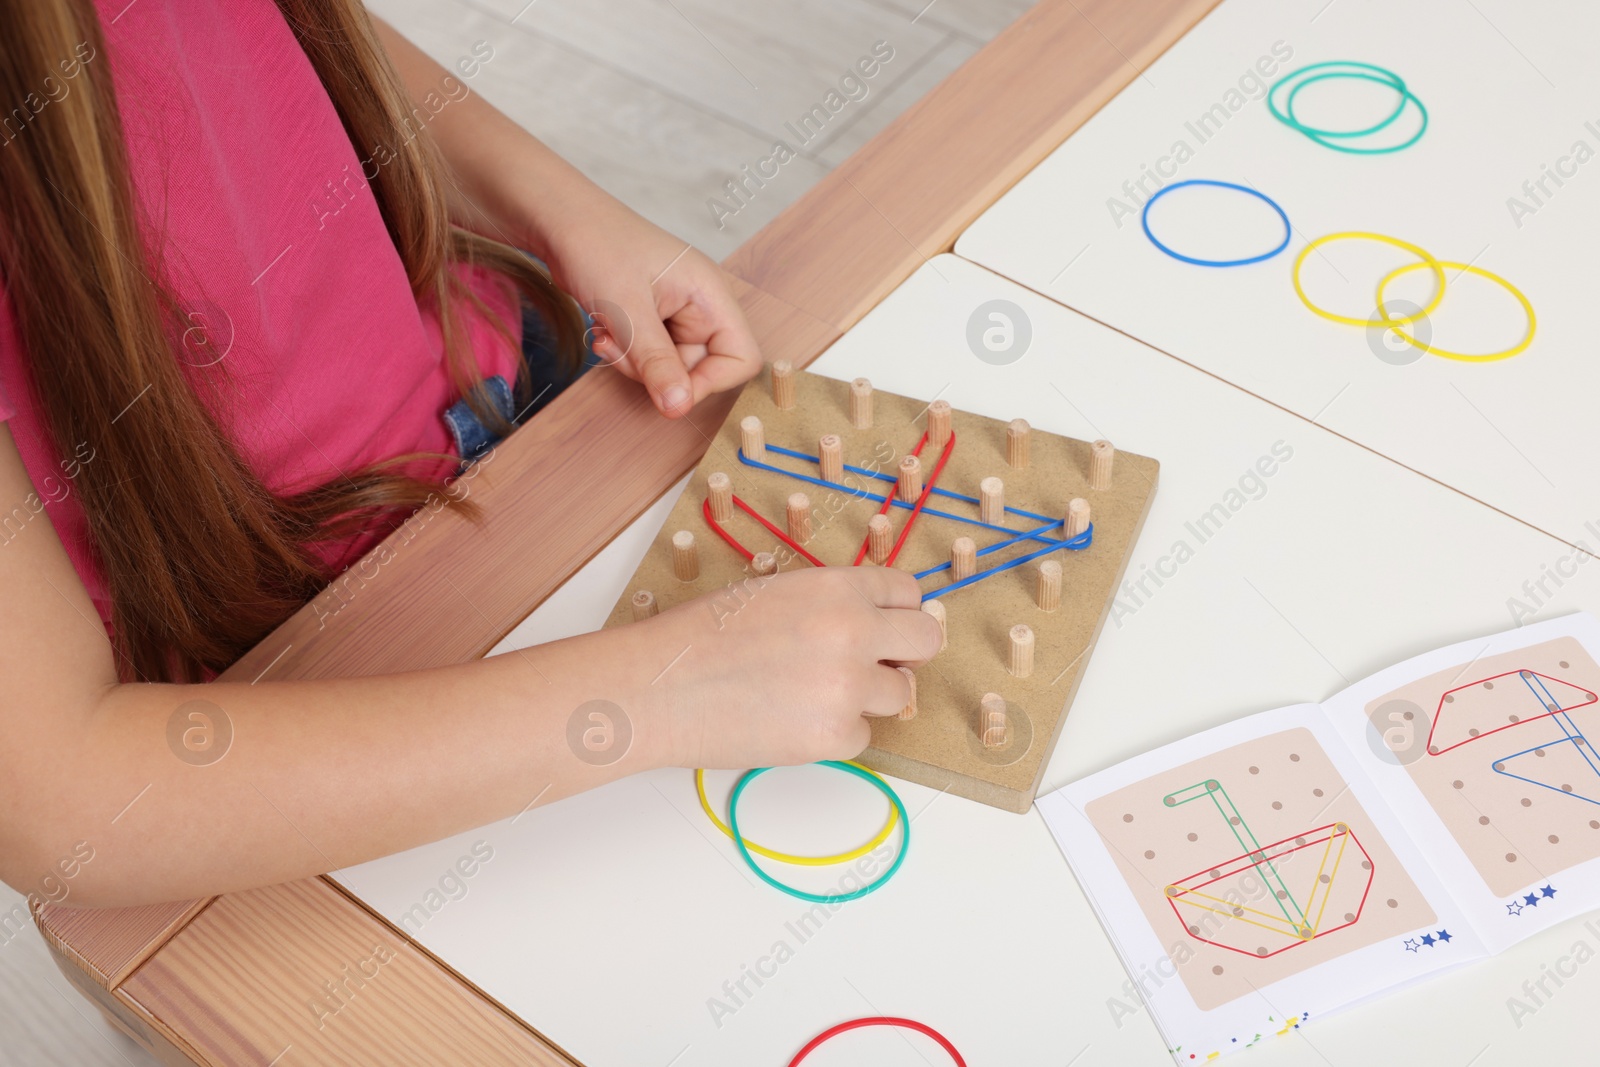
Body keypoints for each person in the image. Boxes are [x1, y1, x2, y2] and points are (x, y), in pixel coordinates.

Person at [0, 0, 938, 909]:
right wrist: (667, 692)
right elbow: (68, 806)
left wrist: (547, 201)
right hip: (273, 681)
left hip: (496, 387)